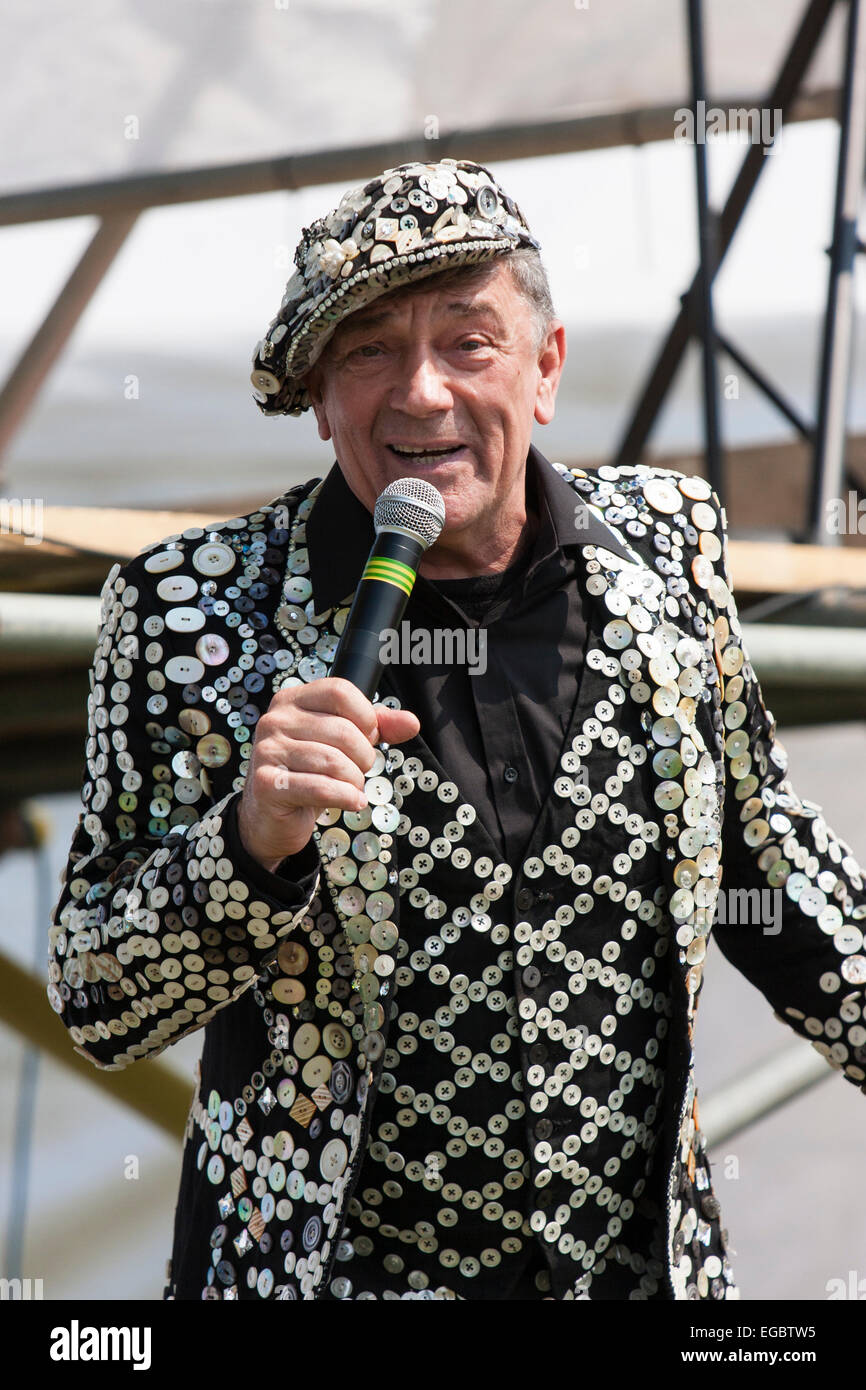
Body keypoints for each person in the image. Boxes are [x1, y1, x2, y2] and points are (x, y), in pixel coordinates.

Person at [48, 158, 866, 1302]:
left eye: (466, 340)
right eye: (369, 350)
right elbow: (94, 999)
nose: (419, 394)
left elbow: (768, 863)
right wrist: (247, 843)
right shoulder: (186, 613)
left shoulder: (670, 545)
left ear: (545, 367)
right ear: (321, 399)